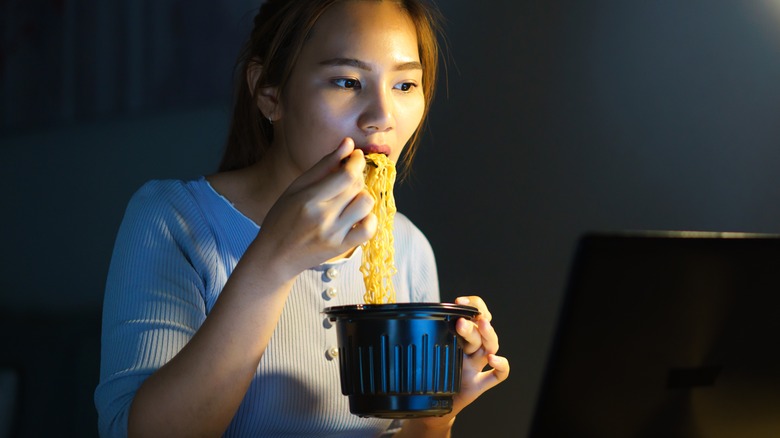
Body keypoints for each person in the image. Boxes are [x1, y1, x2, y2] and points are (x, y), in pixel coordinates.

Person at [94, 0, 510, 436]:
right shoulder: (174, 219)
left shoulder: (408, 247)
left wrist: (436, 415)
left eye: (405, 85)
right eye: (348, 81)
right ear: (269, 93)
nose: (382, 118)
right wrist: (274, 259)